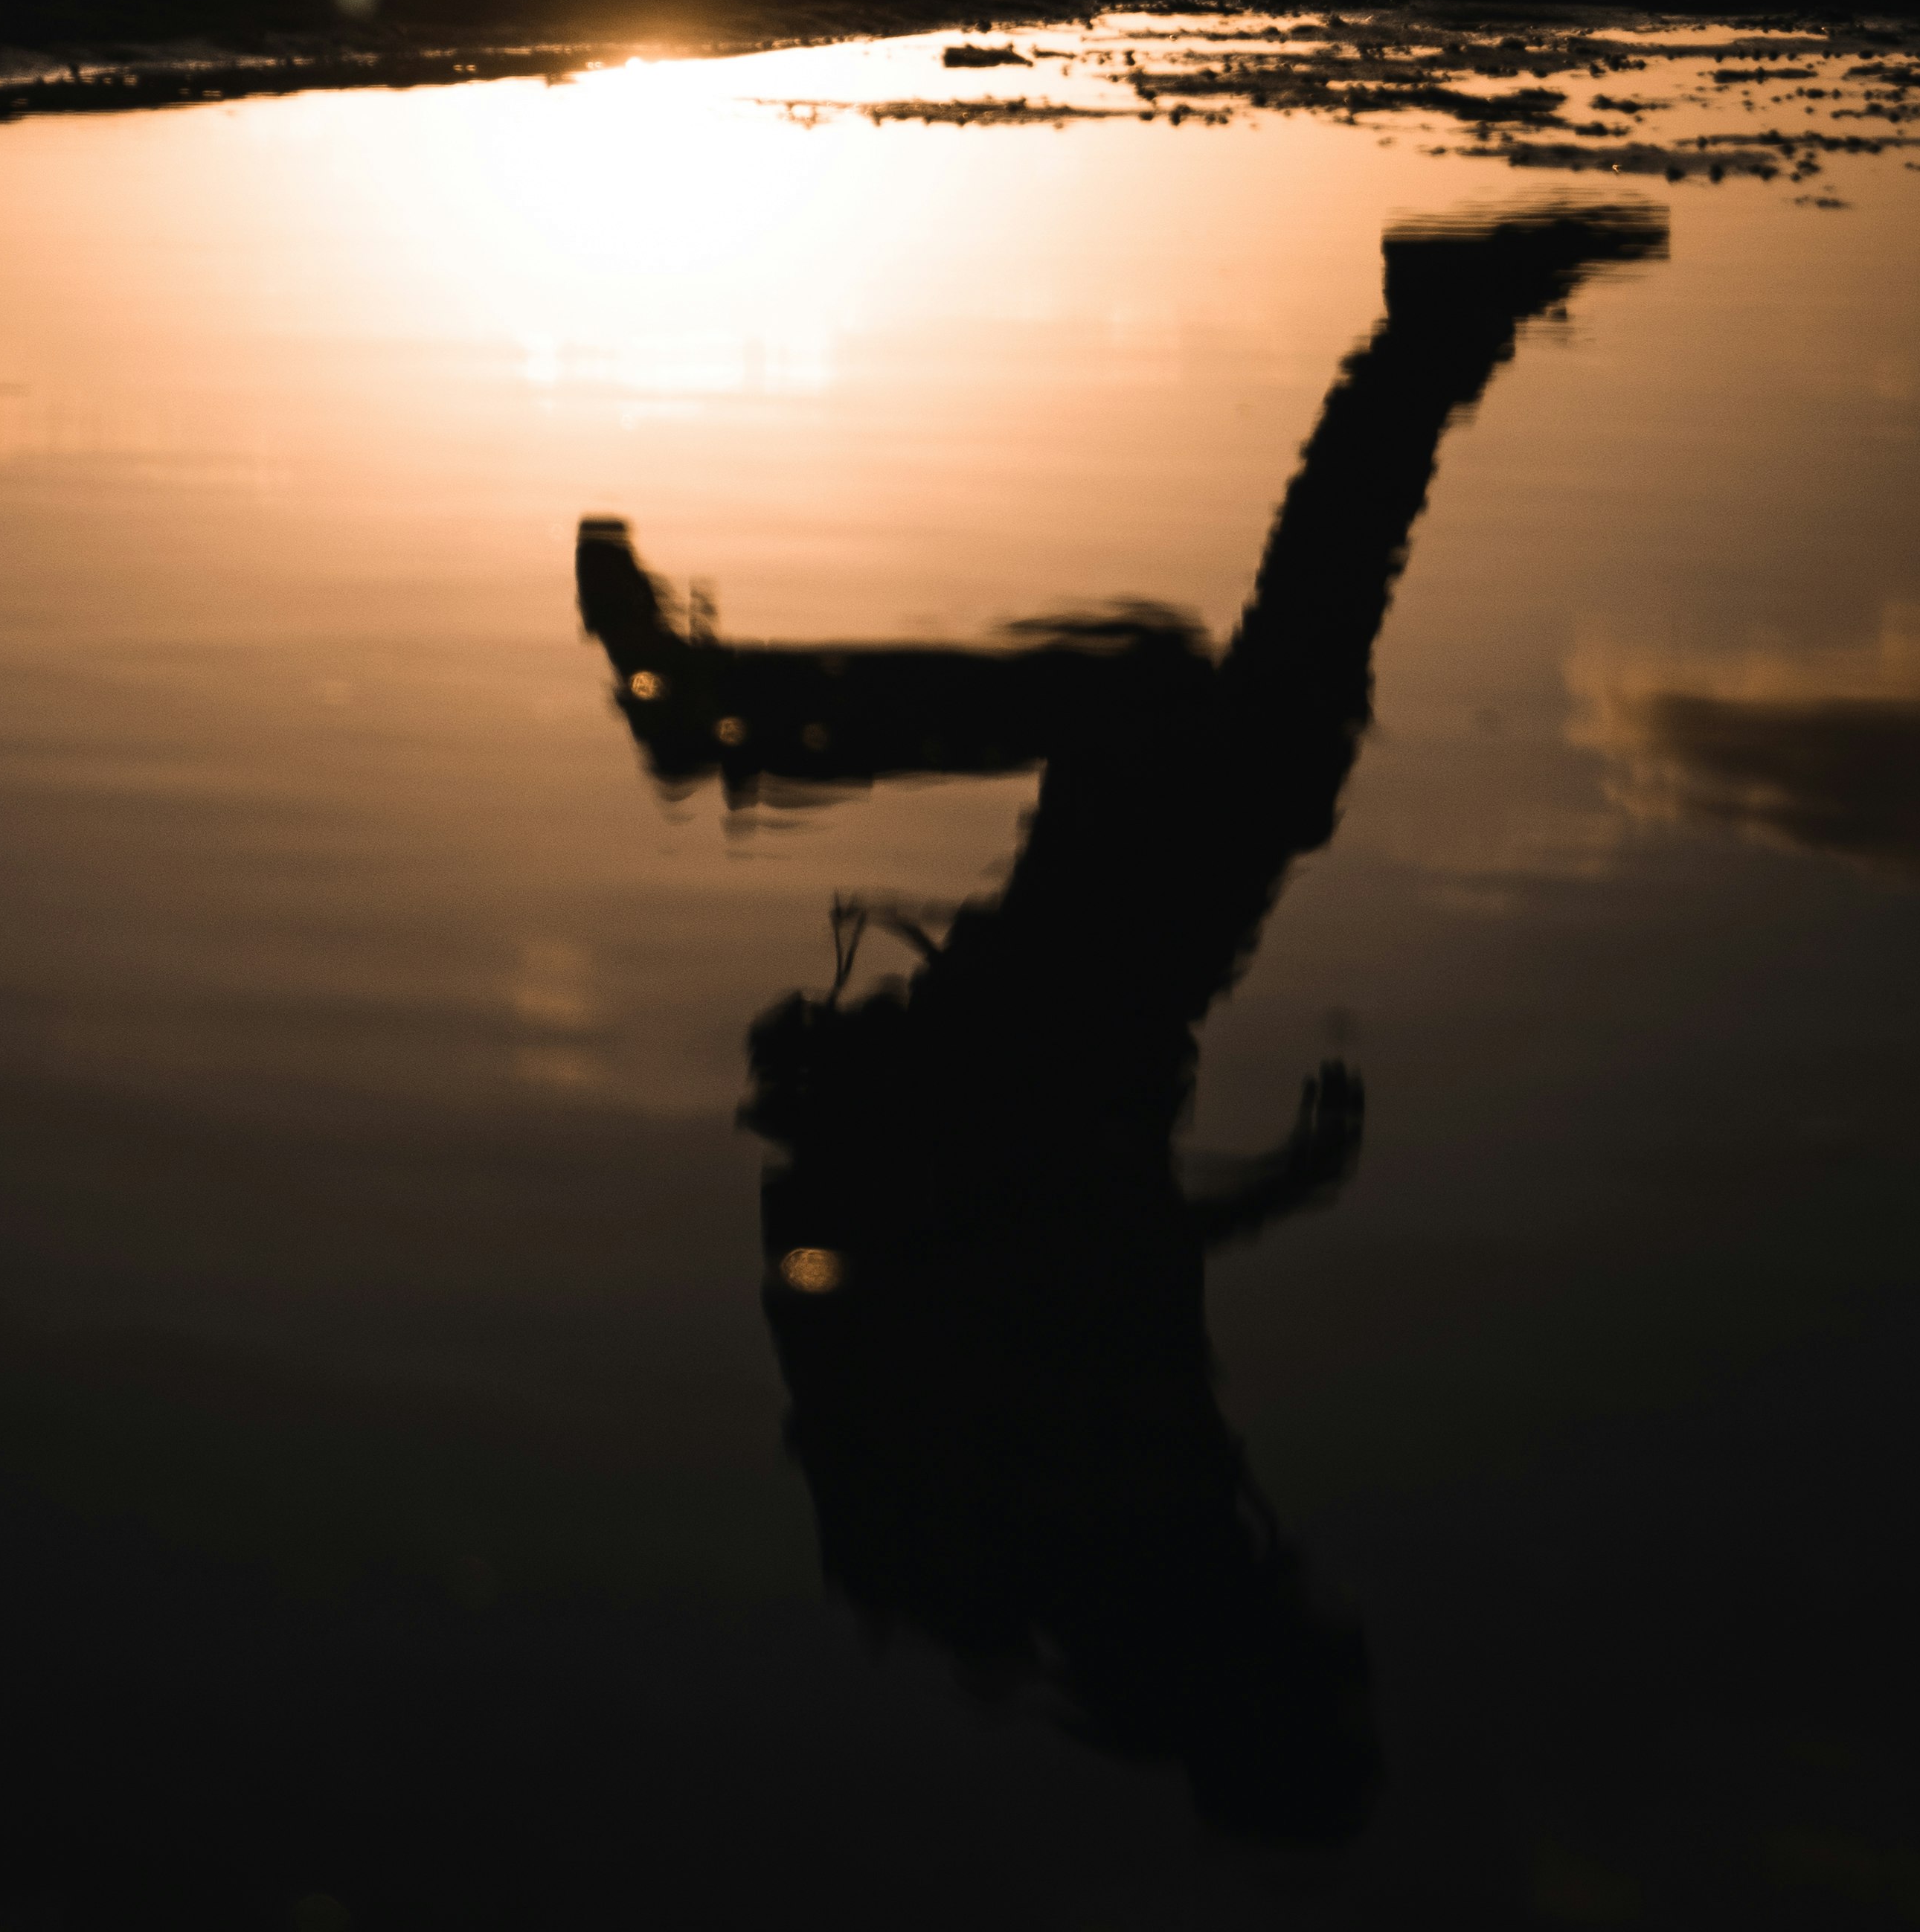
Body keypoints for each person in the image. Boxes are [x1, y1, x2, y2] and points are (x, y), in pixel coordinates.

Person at [574, 203, 1665, 1844]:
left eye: (1327, 1674)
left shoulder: (1129, 1566)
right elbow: (1098, 1290)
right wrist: (1266, 1192)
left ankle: (720, 718)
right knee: (1236, 715)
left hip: (1032, 1069)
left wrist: (1200, 1185)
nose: (1336, 1625)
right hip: (1054, 1064)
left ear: (1264, 1703)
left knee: (1196, 702)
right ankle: (1427, 343)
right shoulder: (1136, 1576)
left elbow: (1046, 1287)